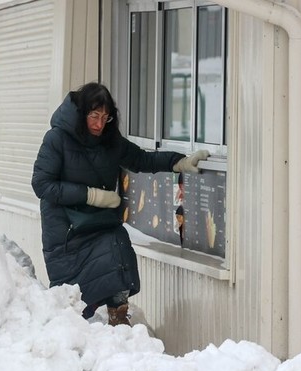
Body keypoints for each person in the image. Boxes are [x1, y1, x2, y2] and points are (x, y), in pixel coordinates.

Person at [31, 82, 208, 326]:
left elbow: (141, 159)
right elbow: (41, 184)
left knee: (118, 248)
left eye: (105, 117)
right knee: (73, 295)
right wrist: (92, 195)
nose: (99, 124)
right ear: (81, 113)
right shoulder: (57, 138)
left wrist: (179, 163)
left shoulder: (109, 141)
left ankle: (118, 314)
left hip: (98, 222)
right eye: (94, 116)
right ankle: (73, 327)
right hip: (66, 229)